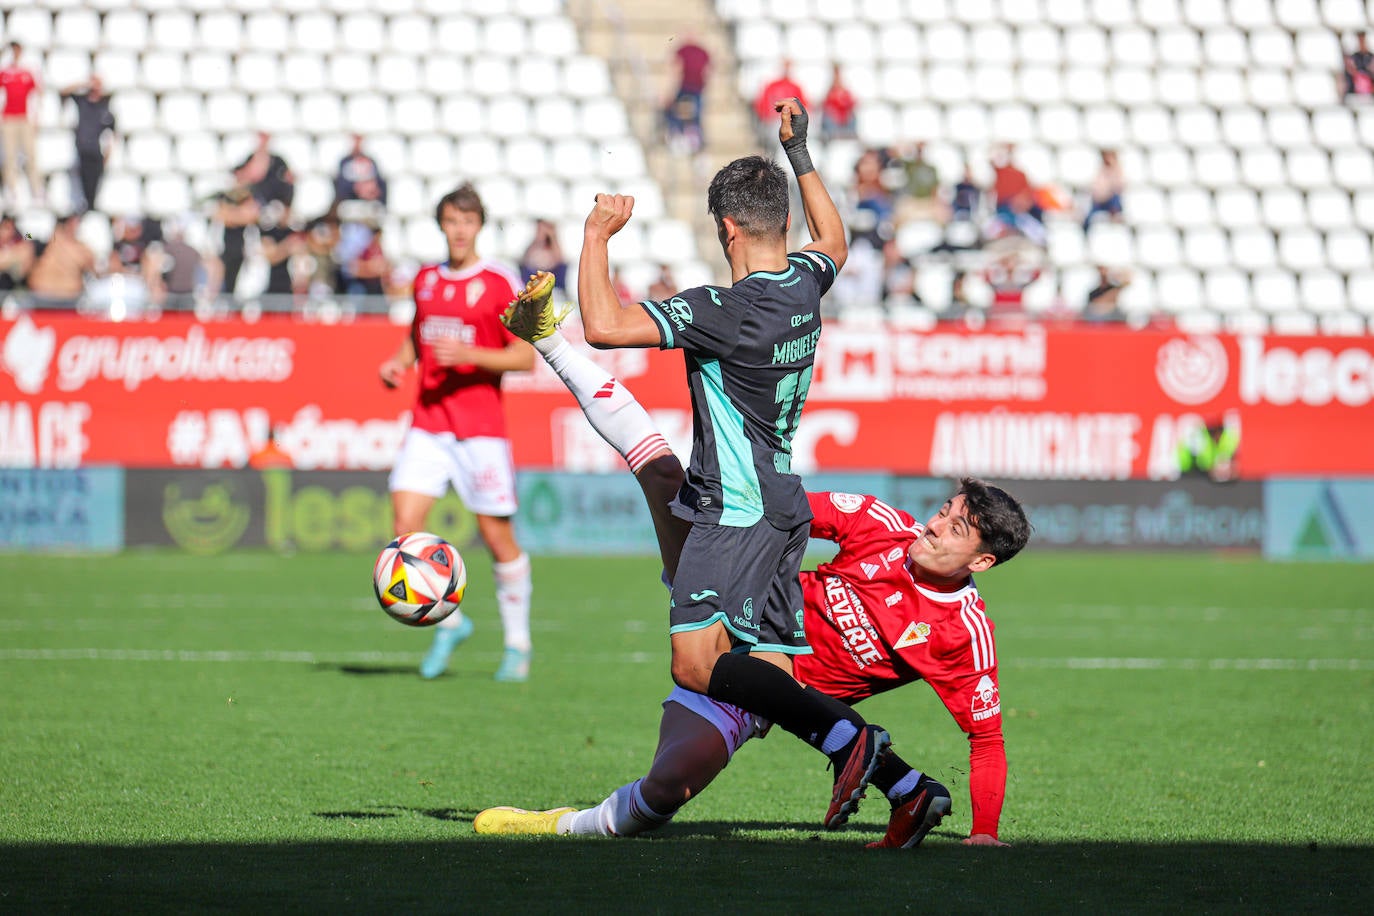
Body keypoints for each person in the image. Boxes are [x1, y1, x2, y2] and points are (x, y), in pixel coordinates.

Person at [478, 301, 1029, 846]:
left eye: (956, 530)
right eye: (944, 512)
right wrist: (728, 517)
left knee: (663, 791)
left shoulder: (964, 635)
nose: (935, 527)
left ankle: (564, 823)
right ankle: (549, 341)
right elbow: (787, 508)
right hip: (749, 603)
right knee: (662, 472)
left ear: (982, 562)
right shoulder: (883, 525)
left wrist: (984, 833)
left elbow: (987, 741)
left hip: (758, 693)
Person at [539, 99, 901, 830]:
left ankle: (850, 740)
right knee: (767, 676)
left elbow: (604, 326)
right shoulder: (805, 281)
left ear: (726, 229)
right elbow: (835, 237)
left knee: (694, 664)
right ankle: (898, 778)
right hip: (783, 512)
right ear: (780, 225)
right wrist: (800, 155)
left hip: (733, 514)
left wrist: (596, 236)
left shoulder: (724, 308)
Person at [378, 184, 536, 682]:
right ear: (442, 225)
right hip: (428, 422)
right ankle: (450, 619)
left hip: (480, 429)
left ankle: (517, 644)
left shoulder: (497, 282)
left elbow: (524, 357)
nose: (460, 229)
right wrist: (399, 363)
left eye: (468, 220)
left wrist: (469, 356)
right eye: (451, 220)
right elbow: (417, 336)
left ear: (479, 226)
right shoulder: (425, 280)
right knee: (403, 532)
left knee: (497, 538)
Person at [59, 76, 117, 215]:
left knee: (95, 184)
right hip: (82, 149)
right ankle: (84, 209)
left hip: (97, 151)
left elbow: (111, 133)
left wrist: (109, 152)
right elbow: (64, 92)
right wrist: (84, 83)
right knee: (82, 182)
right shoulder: (82, 101)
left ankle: (91, 208)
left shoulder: (105, 106)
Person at [25, 213, 98, 309]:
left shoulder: (80, 248)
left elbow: (94, 270)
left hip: (69, 301)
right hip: (41, 298)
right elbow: (26, 236)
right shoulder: (45, 239)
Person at [1, 43, 43, 207]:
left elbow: (36, 94)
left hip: (25, 118)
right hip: (8, 118)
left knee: (31, 155)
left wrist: (36, 117)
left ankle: (36, 190)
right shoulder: (4, 72)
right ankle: (11, 190)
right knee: (9, 156)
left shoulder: (27, 72)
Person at [665, 32, 710, 155]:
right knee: (690, 113)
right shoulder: (695, 51)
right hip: (692, 87)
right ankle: (686, 137)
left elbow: (676, 70)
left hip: (691, 87)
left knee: (685, 112)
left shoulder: (693, 51)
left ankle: (683, 136)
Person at [753, 60, 807, 151]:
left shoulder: (796, 86)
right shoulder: (771, 86)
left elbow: (803, 108)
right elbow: (762, 107)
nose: (786, 70)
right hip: (773, 123)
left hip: (791, 123)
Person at [518, 219, 568, 296]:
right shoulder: (533, 248)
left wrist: (552, 236)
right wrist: (539, 238)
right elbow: (526, 261)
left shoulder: (555, 250)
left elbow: (560, 261)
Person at [1082, 149, 1124, 232]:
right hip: (1099, 201)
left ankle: (1115, 218)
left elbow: (1118, 186)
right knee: (1088, 217)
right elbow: (1097, 189)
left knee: (1115, 198)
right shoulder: (1100, 171)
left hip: (1110, 201)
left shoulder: (1117, 171)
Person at [820, 63, 857, 142]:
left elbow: (851, 104)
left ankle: (849, 136)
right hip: (834, 121)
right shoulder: (829, 93)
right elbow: (825, 106)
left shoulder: (845, 92)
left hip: (844, 120)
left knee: (852, 116)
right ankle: (833, 136)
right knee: (828, 117)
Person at [0, 212, 35, 294]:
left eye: (12, 228)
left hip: (13, 284)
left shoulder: (18, 239)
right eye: (6, 228)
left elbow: (31, 236)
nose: (10, 231)